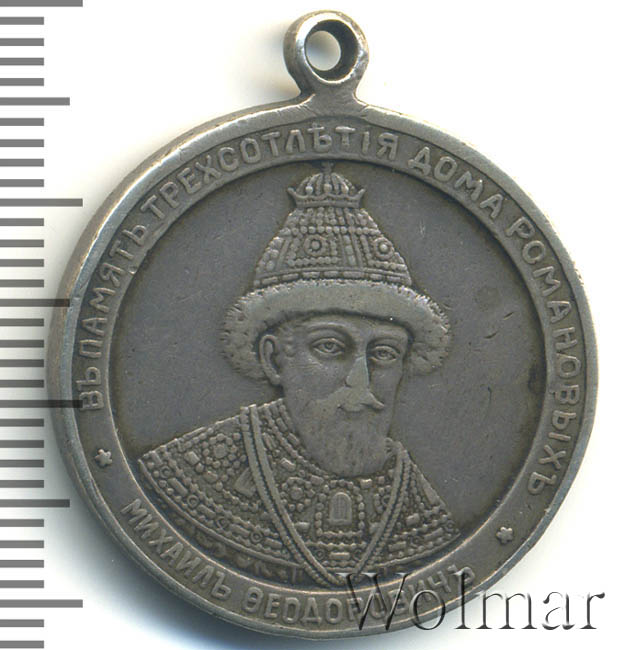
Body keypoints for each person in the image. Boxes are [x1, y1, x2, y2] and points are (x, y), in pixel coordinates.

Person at [139, 165, 459, 586]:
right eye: (330, 347)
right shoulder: (187, 476)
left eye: (384, 353)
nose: (361, 383)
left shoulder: (411, 490)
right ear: (274, 359)